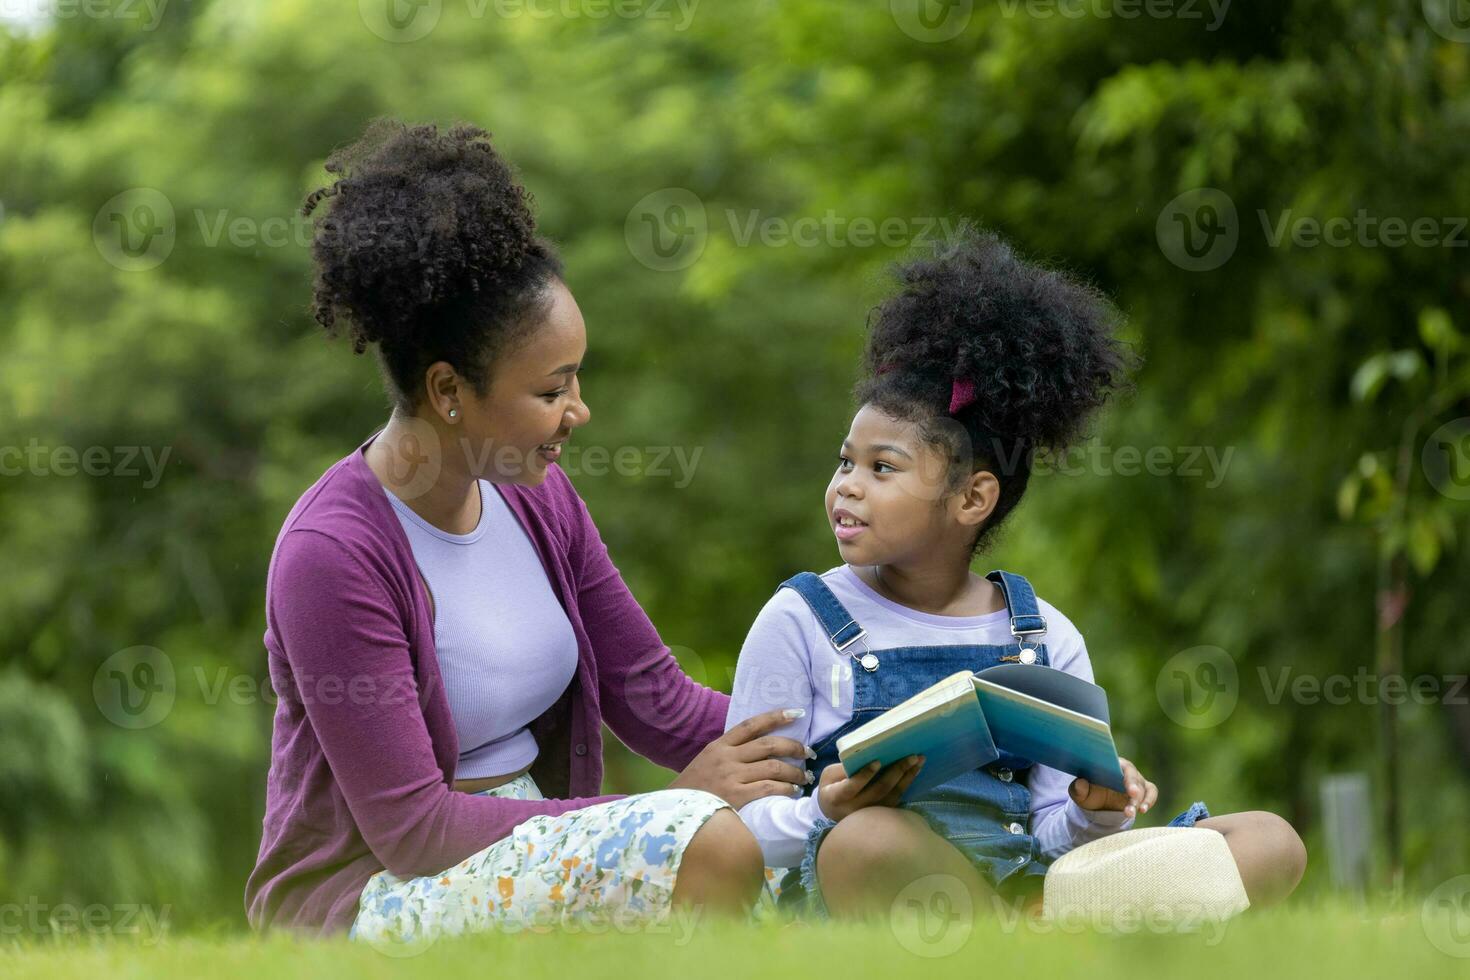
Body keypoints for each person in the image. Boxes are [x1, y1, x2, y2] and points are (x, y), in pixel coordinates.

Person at [244, 119, 813, 944]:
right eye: (553, 390)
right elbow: (413, 828)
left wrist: (835, 743)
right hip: (378, 892)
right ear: (448, 390)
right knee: (711, 844)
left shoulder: (538, 499)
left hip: (545, 836)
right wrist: (678, 805)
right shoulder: (331, 555)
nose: (579, 412)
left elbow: (655, 697)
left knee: (803, 839)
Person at [723, 226, 1308, 920]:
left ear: (972, 499)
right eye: (845, 461)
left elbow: (1055, 836)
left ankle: (1021, 940)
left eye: (882, 468)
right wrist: (825, 807)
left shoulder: (1041, 632)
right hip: (885, 885)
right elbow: (745, 833)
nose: (846, 486)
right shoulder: (800, 619)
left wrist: (1097, 809)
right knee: (867, 842)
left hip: (1034, 888)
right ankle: (1044, 946)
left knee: (1270, 841)